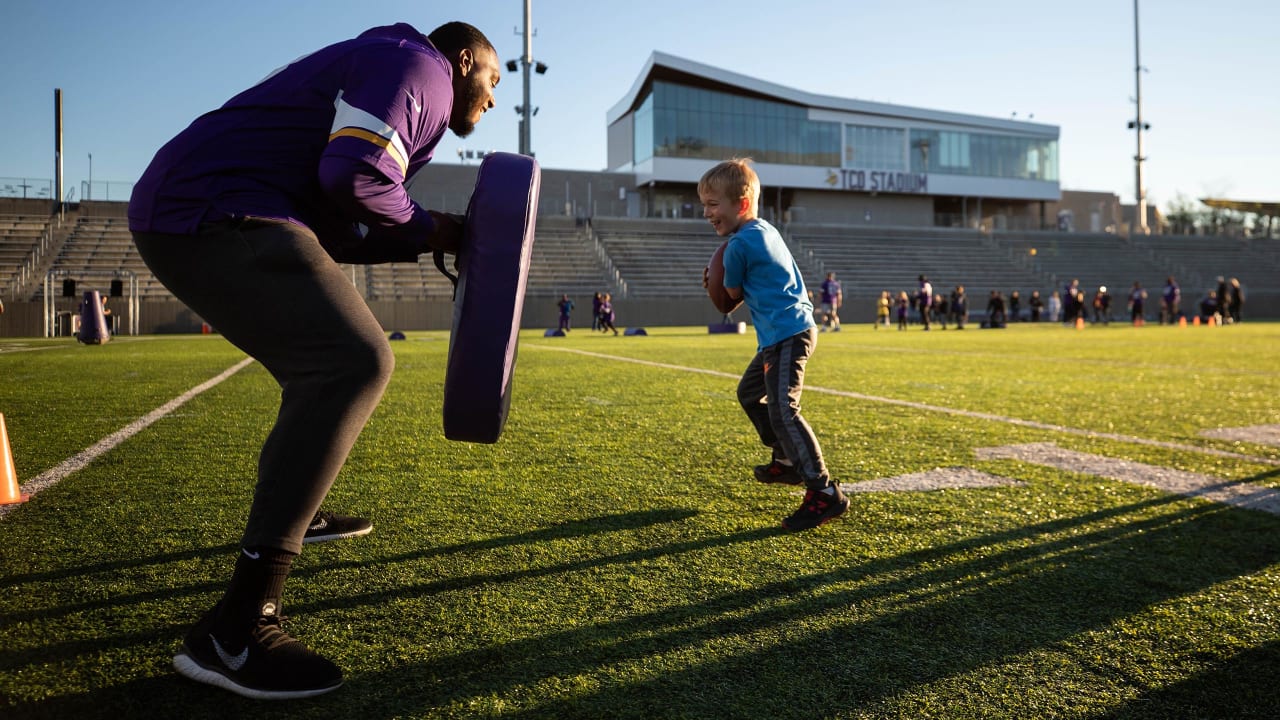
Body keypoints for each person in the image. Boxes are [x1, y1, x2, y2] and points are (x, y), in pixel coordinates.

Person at [127, 21, 502, 699]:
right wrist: (433, 226)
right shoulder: (418, 65)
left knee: (325, 368)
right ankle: (236, 630)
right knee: (352, 361)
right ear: (465, 60)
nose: (494, 98)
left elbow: (339, 227)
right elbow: (354, 172)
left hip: (222, 201)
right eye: (495, 80)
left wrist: (428, 236)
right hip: (212, 205)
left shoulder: (395, 73)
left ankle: (295, 515)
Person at [698, 158, 847, 531]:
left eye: (713, 205)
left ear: (742, 204)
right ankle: (786, 458)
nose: (706, 213)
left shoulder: (737, 246)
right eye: (705, 205)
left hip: (786, 335)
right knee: (750, 393)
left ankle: (824, 491)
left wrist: (711, 282)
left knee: (783, 409)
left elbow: (726, 302)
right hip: (786, 333)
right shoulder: (766, 230)